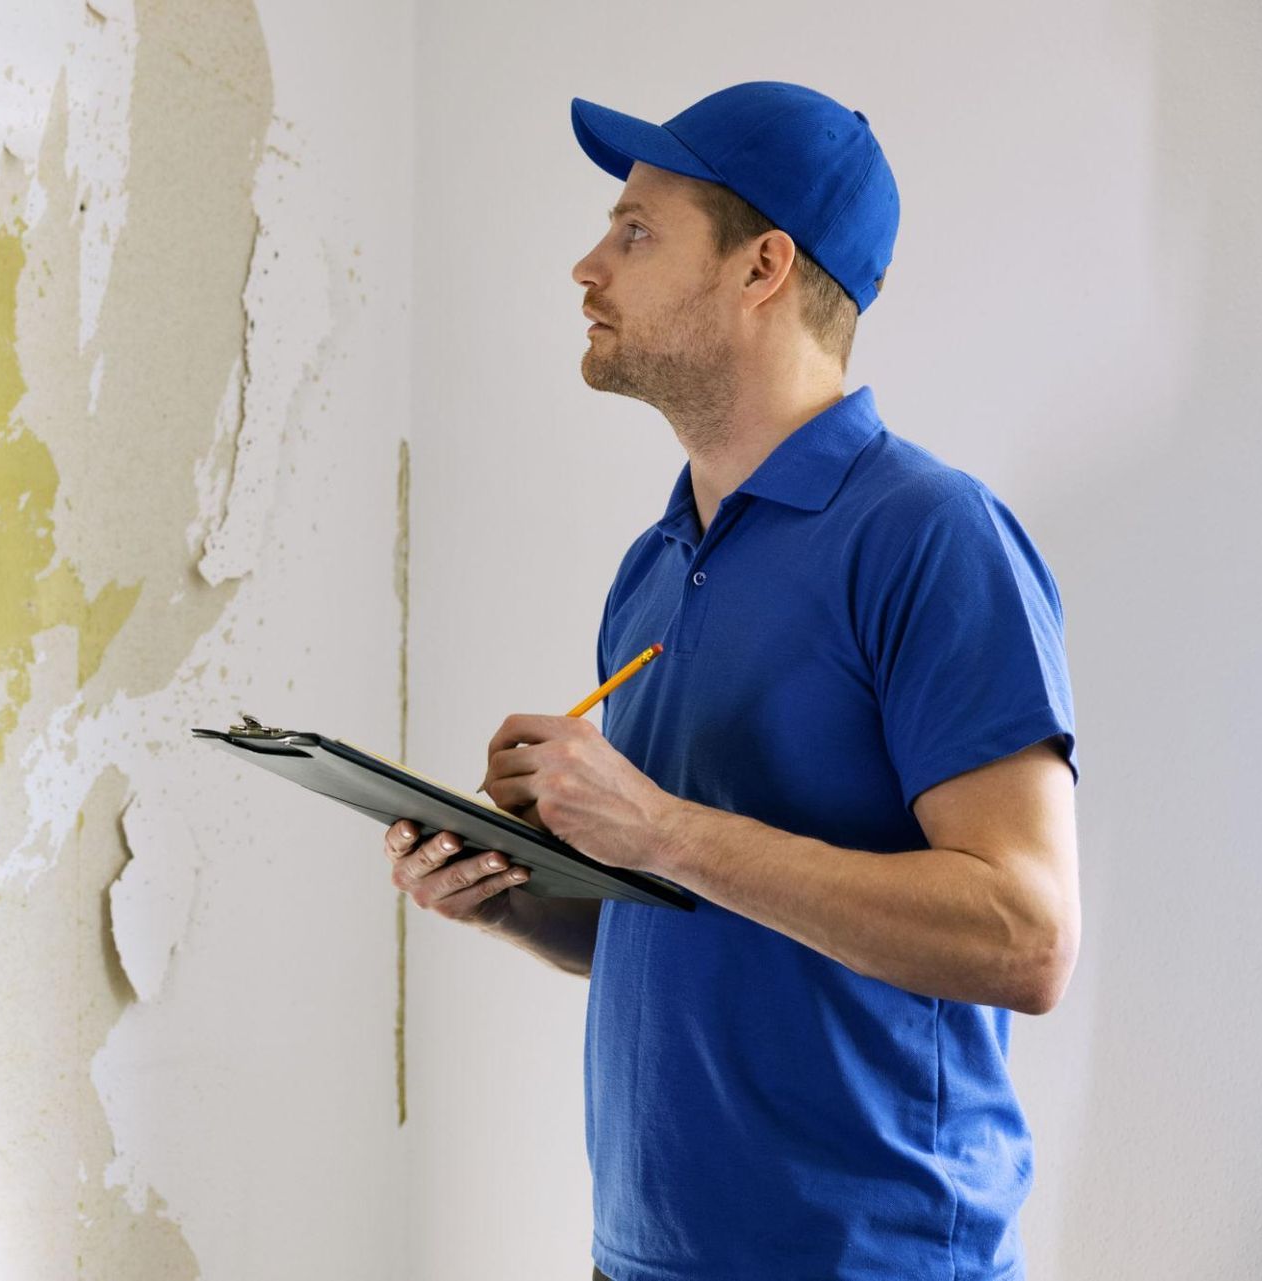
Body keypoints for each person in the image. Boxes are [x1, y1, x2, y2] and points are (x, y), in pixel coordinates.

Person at [382, 82, 1079, 1281]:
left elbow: (1024, 938)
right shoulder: (652, 568)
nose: (587, 267)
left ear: (763, 267)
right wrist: (509, 890)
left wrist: (660, 826)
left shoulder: (930, 536)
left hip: (871, 1262)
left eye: (636, 231)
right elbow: (685, 927)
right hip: (644, 1257)